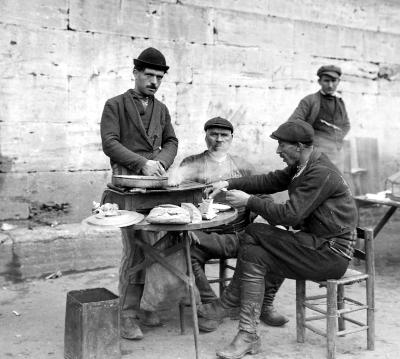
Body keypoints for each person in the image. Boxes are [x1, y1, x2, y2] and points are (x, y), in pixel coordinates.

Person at [200, 119, 358, 359]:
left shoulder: (319, 172)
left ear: (298, 146)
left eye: (281, 145)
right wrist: (227, 183)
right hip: (314, 245)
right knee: (254, 254)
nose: (278, 151)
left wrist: (249, 201)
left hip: (330, 255)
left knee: (254, 232)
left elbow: (291, 216)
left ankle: (229, 301)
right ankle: (248, 335)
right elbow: (269, 181)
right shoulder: (303, 165)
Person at [179, 117, 288, 332]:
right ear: (205, 135)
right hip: (207, 234)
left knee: (281, 245)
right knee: (184, 253)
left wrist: (272, 218)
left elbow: (263, 196)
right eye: (213, 134)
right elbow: (178, 200)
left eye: (224, 135)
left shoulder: (243, 166)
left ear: (231, 138)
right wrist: (188, 224)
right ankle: (213, 305)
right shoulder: (191, 164)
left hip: (242, 234)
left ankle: (265, 304)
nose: (218, 140)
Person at [100, 47, 178, 340]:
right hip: (125, 190)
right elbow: (110, 142)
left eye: (159, 77)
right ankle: (127, 315)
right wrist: (141, 163)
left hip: (155, 189)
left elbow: (171, 140)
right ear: (135, 74)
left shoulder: (162, 109)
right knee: (135, 251)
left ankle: (148, 306)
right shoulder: (115, 105)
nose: (154, 81)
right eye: (149, 75)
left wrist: (162, 163)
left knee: (160, 247)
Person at [288, 65, 350, 173]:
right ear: (319, 81)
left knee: (335, 182)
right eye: (326, 81)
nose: (330, 85)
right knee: (315, 182)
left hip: (336, 153)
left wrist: (337, 139)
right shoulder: (310, 101)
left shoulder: (340, 102)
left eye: (333, 81)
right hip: (315, 152)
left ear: (338, 81)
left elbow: (346, 125)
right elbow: (293, 122)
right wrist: (309, 141)